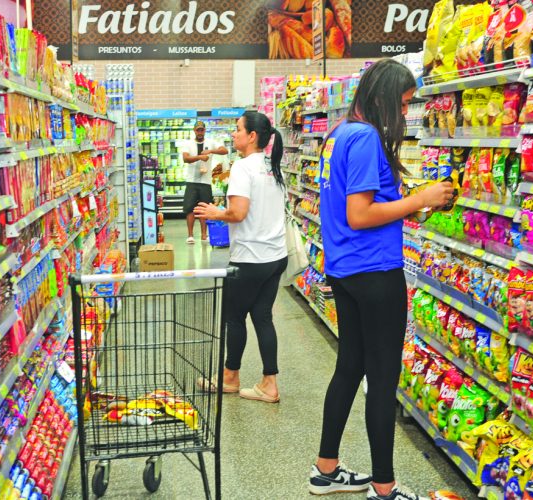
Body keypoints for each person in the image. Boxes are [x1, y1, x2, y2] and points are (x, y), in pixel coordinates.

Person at [307, 60, 455, 499]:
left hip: (345, 268)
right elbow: (361, 213)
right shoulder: (368, 138)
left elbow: (353, 207)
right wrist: (418, 199)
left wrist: (413, 205)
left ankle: (326, 469)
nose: (406, 115)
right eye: (404, 104)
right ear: (384, 99)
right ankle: (384, 488)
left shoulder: (338, 135)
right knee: (382, 378)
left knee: (350, 366)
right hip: (375, 271)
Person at [193, 111, 287, 403]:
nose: (233, 134)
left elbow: (238, 213)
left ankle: (230, 377)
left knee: (234, 318)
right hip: (275, 255)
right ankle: (269, 383)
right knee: (262, 317)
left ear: (252, 136)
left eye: (237, 130)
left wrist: (214, 213)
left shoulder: (244, 168)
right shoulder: (273, 166)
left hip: (250, 257)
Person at [179, 121, 228, 244]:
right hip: (191, 181)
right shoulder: (188, 144)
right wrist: (199, 157)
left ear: (204, 130)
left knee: (204, 208)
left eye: (202, 130)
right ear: (194, 131)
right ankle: (190, 235)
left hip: (205, 182)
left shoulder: (210, 142)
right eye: (198, 130)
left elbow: (224, 150)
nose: (200, 132)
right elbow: (185, 158)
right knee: (189, 209)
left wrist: (211, 151)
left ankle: (204, 235)